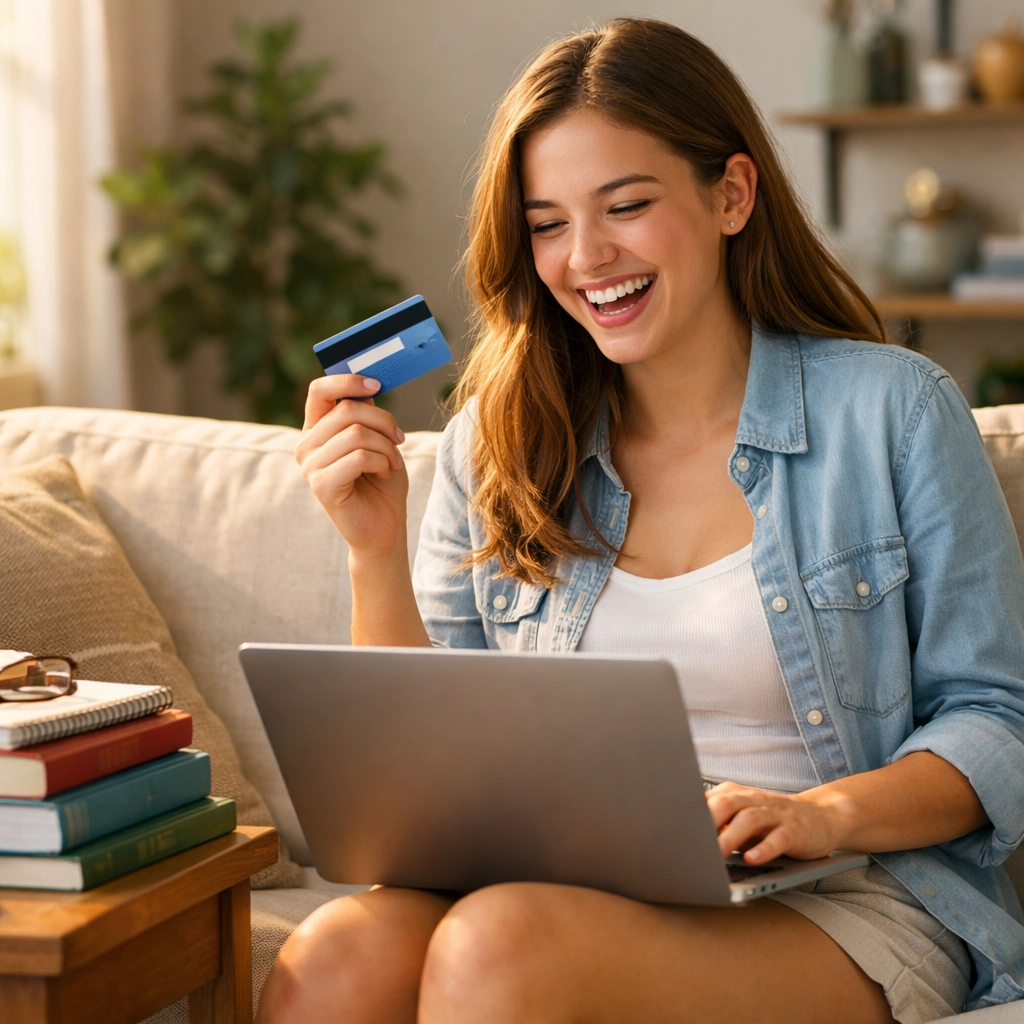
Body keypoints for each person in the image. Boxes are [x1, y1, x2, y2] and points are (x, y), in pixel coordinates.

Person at [263, 18, 1024, 1024]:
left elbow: (997, 718)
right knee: (334, 961)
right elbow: (422, 772)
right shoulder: (496, 439)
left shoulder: (893, 411)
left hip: (854, 891)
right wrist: (371, 546)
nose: (586, 257)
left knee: (498, 951)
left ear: (730, 194)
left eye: (625, 204)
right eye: (545, 224)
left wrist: (815, 814)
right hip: (568, 888)